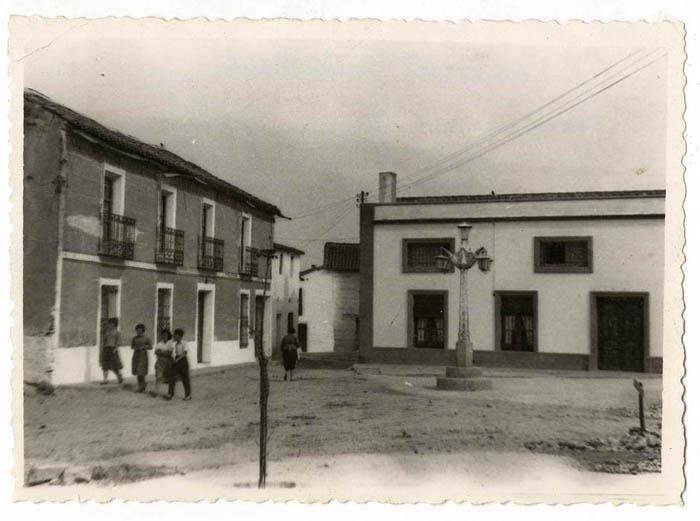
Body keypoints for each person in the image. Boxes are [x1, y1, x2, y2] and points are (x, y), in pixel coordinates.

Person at [167, 328, 191, 401]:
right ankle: (170, 393)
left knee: (185, 378)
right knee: (172, 377)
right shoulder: (174, 343)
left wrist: (177, 360)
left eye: (175, 335)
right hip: (176, 360)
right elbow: (171, 352)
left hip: (183, 361)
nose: (174, 336)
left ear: (179, 336)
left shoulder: (184, 343)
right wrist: (173, 358)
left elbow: (185, 353)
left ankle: (188, 395)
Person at [100, 317, 123, 385]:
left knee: (114, 365)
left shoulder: (117, 332)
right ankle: (105, 380)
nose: (108, 325)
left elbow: (118, 342)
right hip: (106, 349)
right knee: (105, 365)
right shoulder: (106, 332)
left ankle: (119, 376)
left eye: (109, 323)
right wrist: (103, 349)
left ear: (113, 324)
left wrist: (115, 349)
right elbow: (104, 341)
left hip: (113, 349)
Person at [131, 323, 153, 392]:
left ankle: (142, 385)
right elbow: (132, 346)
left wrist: (144, 347)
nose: (138, 332)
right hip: (136, 355)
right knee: (138, 371)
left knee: (141, 371)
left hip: (143, 356)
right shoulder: (134, 338)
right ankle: (141, 386)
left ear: (143, 331)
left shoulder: (146, 338)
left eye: (140, 330)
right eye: (137, 330)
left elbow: (151, 347)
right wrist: (136, 348)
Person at [151, 328, 174, 397]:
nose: (164, 336)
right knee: (158, 376)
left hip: (168, 362)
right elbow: (156, 352)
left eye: (166, 335)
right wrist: (163, 352)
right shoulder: (160, 343)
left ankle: (170, 393)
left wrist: (161, 352)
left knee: (169, 377)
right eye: (163, 335)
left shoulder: (170, 343)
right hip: (160, 361)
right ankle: (155, 391)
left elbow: (169, 353)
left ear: (168, 336)